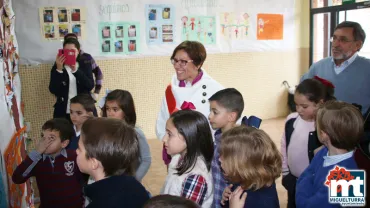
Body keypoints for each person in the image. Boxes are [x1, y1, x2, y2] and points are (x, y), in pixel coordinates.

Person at [156, 40, 224, 166]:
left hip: (204, 156)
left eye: (183, 62)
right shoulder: (171, 90)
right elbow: (163, 121)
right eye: (175, 60)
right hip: (177, 154)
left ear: (198, 64)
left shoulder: (215, 90)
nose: (177, 66)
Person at [296, 101, 363, 207]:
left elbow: (304, 204)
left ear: (323, 135)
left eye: (316, 125)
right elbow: (309, 173)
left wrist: (303, 182)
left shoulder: (346, 180)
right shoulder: (323, 152)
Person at [281, 77, 335, 208]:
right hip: (293, 180)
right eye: (296, 104)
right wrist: (285, 172)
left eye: (304, 106)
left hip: (314, 184)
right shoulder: (291, 120)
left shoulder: (325, 127)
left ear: (319, 104)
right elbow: (284, 146)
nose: (299, 110)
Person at [76, 117, 149, 207]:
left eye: (79, 148)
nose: (76, 151)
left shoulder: (100, 204)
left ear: (93, 163)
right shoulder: (136, 186)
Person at [301, 21, 370, 115]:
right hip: (321, 127)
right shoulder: (318, 67)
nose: (335, 44)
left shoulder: (367, 69)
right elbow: (302, 92)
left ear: (357, 45)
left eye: (343, 40)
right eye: (334, 38)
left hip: (357, 128)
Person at [12, 118, 83, 207]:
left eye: (51, 138)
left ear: (64, 143)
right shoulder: (37, 160)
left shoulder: (75, 156)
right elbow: (17, 178)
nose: (45, 142)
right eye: (43, 136)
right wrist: (36, 153)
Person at [161, 110, 214, 207]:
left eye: (169, 134)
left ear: (188, 137)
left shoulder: (195, 177)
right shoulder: (177, 158)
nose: (164, 139)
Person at [220, 126, 281, 208]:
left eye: (224, 156)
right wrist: (228, 199)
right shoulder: (249, 179)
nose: (219, 159)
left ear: (242, 164)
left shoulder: (262, 203)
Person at [100, 89, 151, 181]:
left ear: (126, 110)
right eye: (108, 109)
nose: (110, 113)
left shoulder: (136, 133)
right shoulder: (105, 131)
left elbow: (146, 159)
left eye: (115, 109)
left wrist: (134, 180)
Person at [207, 88, 244, 208]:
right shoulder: (218, 137)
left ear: (231, 116)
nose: (209, 116)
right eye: (210, 111)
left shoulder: (238, 145)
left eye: (215, 112)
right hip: (216, 198)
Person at [49, 38, 94, 120]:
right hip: (64, 111)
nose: (70, 53)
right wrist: (59, 69)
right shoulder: (57, 66)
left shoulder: (85, 64)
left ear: (78, 51)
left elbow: (90, 85)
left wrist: (75, 70)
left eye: (73, 51)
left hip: (83, 110)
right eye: (66, 51)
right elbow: (53, 89)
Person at [64, 33, 104, 101]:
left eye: (73, 41)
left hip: (84, 98)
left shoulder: (87, 58)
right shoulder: (61, 59)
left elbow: (98, 73)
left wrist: (97, 92)